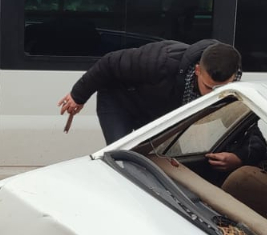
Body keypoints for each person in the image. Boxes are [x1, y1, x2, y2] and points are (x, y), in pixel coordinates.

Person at [58, 40, 251, 158]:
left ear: (234, 77)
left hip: (155, 115)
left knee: (167, 161)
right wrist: (78, 96)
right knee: (122, 156)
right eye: (208, 87)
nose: (213, 95)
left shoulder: (233, 88)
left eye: (221, 88)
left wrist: (240, 156)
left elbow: (246, 125)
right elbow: (110, 63)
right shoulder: (163, 60)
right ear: (198, 70)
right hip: (120, 100)